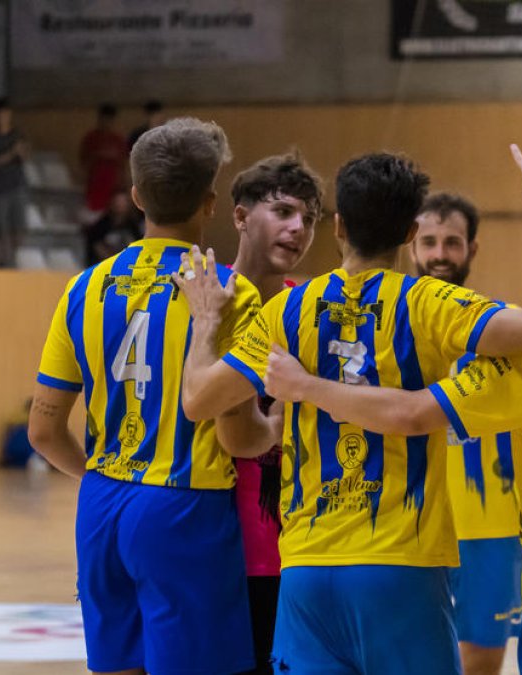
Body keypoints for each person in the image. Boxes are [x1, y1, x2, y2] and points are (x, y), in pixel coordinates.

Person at [171, 151, 522, 674]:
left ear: (339, 226)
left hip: (306, 570)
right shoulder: (429, 303)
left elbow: (199, 400)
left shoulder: (286, 309)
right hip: (400, 566)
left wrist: (206, 323)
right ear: (411, 233)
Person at [27, 118, 268, 675]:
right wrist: (282, 428)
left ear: (136, 196)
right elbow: (236, 434)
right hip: (186, 505)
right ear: (210, 203)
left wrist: (101, 478)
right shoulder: (228, 291)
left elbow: (43, 430)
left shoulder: (84, 286)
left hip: (102, 503)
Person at [412, 192, 522, 675]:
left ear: (472, 250)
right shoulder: (388, 328)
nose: (439, 254)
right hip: (409, 522)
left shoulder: (504, 328)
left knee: (481, 656)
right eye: (429, 241)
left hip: (489, 527)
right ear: (410, 245)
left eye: (452, 242)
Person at [224, 151, 324, 675]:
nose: (298, 228)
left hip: (300, 551)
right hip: (214, 546)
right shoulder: (202, 298)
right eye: (283, 211)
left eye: (308, 218)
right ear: (240, 216)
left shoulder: (309, 309)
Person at [0, 97, 30, 268]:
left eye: (6, 114)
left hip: (17, 187)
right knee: (1, 229)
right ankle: (3, 262)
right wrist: (10, 154)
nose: (3, 117)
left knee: (19, 228)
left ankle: (13, 260)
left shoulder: (17, 134)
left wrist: (19, 152)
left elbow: (24, 156)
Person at [80, 104, 129, 214]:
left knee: (112, 212)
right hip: (95, 182)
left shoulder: (118, 139)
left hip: (113, 182)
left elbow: (123, 164)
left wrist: (122, 183)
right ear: (99, 119)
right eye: (104, 119)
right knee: (94, 210)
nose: (106, 123)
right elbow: (84, 162)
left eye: (109, 120)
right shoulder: (91, 138)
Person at [83, 189, 144, 267]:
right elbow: (97, 247)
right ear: (112, 203)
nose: (121, 206)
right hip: (103, 266)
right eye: (118, 202)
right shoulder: (101, 225)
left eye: (123, 203)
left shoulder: (132, 226)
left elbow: (137, 245)